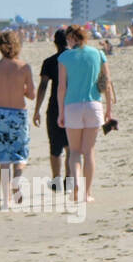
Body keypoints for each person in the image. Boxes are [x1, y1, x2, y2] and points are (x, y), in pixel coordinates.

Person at [57, 25, 113, 204]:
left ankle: (76, 189)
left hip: (72, 105)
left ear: (71, 38)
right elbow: (106, 82)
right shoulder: (97, 53)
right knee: (89, 151)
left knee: (74, 151)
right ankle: (87, 193)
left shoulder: (64, 57)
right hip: (93, 104)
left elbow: (61, 87)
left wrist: (60, 111)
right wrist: (109, 108)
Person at [0, 31, 35, 207]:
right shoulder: (24, 67)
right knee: (20, 153)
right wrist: (19, 89)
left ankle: (6, 199)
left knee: (4, 158)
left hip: (1, 114)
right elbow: (31, 94)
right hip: (18, 113)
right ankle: (17, 179)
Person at [33, 27, 70, 200]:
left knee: (55, 145)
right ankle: (69, 181)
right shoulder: (75, 60)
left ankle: (56, 181)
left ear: (55, 43)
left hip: (55, 107)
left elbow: (43, 86)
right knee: (71, 146)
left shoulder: (49, 62)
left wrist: (36, 110)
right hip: (73, 106)